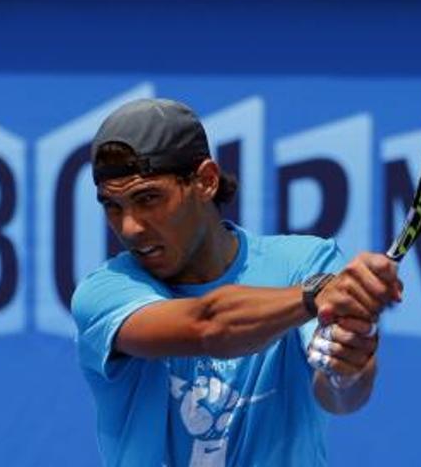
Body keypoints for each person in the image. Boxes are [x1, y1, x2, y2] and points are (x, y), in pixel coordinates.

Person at [71, 98, 403, 467]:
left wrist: (346, 368)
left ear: (206, 181)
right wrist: (315, 295)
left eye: (148, 198)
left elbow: (340, 398)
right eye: (112, 206)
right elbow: (209, 326)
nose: (129, 227)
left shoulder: (305, 263)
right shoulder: (103, 292)